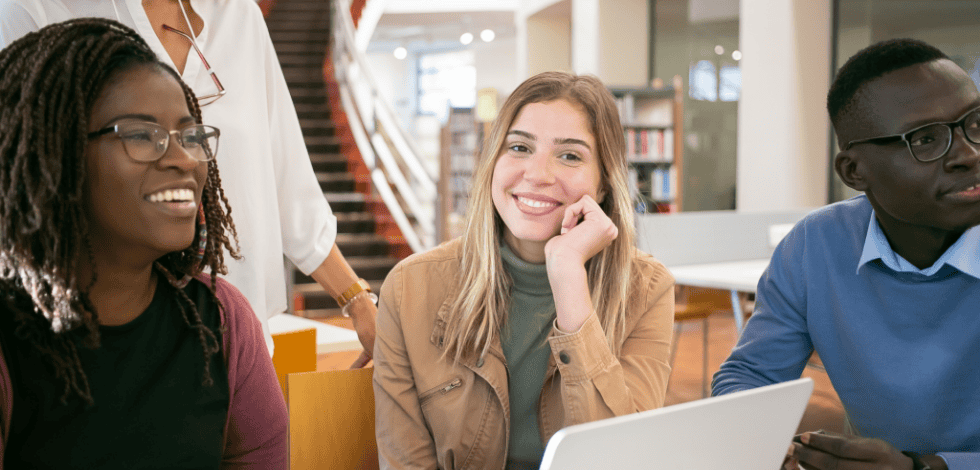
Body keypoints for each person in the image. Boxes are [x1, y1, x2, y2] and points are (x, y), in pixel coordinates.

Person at [0, 0, 379, 364]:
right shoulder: (38, 11)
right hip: (99, 344)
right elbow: (25, 191)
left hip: (238, 347)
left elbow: (289, 185)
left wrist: (358, 302)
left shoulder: (240, 17)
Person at [0, 18, 286, 467]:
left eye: (192, 136)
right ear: (56, 156)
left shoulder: (224, 323)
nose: (184, 159)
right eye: (140, 135)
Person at [373, 71, 675, 469]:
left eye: (569, 155)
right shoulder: (410, 288)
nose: (537, 174)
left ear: (603, 185)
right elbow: (406, 461)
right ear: (493, 163)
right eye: (519, 147)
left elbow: (618, 460)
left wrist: (569, 278)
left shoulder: (646, 290)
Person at [712, 38, 980, 470]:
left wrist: (927, 467)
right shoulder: (814, 246)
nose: (969, 154)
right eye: (926, 139)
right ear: (855, 171)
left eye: (976, 124)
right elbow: (751, 376)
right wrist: (762, 443)